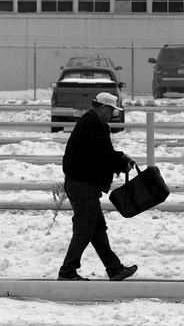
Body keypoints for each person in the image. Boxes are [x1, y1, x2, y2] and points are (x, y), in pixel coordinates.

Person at [58, 91, 138, 281]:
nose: (111, 115)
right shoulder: (94, 126)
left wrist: (120, 157)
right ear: (103, 108)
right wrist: (120, 164)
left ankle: (114, 268)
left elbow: (102, 152)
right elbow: (102, 156)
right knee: (85, 229)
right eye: (110, 111)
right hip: (83, 185)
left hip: (81, 184)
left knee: (97, 229)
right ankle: (67, 271)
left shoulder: (90, 123)